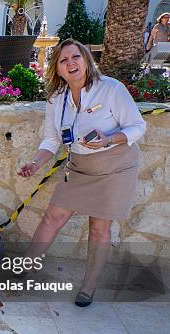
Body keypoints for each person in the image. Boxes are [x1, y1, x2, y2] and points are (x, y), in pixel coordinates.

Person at [18, 39, 145, 307]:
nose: (71, 63)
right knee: (52, 217)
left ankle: (88, 287)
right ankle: (22, 274)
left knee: (99, 227)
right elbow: (51, 141)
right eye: (64, 60)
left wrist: (109, 139)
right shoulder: (57, 99)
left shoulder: (110, 89)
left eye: (75, 57)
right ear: (58, 69)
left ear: (86, 60)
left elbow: (137, 126)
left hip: (115, 166)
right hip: (80, 166)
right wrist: (34, 163)